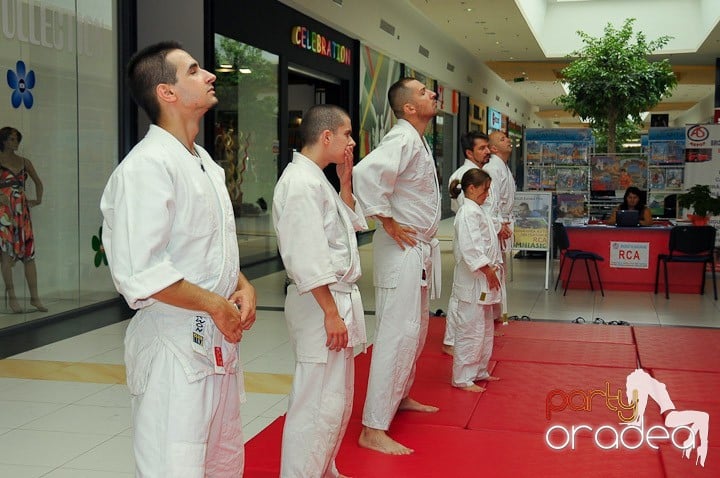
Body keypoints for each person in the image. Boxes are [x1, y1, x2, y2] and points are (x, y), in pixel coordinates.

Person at [100, 41, 257, 477]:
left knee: (221, 461)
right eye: (193, 71)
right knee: (177, 465)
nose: (208, 75)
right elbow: (141, 272)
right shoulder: (146, 167)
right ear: (166, 93)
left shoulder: (203, 161)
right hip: (173, 344)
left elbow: (209, 246)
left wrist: (242, 285)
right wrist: (213, 303)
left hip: (216, 340)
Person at [272, 104, 367, 478]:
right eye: (347, 134)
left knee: (334, 400)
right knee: (314, 402)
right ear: (327, 136)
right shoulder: (299, 183)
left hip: (332, 299)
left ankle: (324, 469)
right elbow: (306, 256)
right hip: (318, 304)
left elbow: (343, 232)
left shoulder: (317, 179)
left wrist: (345, 182)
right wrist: (330, 312)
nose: (351, 142)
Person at [353, 77, 441, 455]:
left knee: (416, 331)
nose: (432, 94)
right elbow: (365, 174)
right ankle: (372, 428)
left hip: (415, 249)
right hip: (401, 248)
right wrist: (385, 219)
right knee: (396, 334)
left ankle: (399, 396)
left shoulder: (415, 138)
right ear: (407, 107)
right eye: (423, 92)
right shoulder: (402, 138)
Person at [448, 169, 502, 392]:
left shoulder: (477, 210)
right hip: (474, 280)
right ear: (472, 188)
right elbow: (471, 247)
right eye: (484, 189)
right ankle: (462, 377)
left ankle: (479, 369)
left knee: (484, 328)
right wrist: (488, 270)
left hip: (483, 277)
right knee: (470, 329)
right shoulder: (467, 213)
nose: (487, 194)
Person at [443, 131, 491, 356]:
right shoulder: (465, 177)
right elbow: (468, 221)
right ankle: (452, 341)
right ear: (469, 152)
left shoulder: (480, 175)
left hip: (478, 247)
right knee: (462, 301)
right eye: (482, 148)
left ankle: (463, 346)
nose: (487, 151)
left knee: (473, 308)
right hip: (469, 249)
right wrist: (484, 264)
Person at [0, 126, 46, 313]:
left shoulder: (24, 162)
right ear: (3, 140)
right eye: (11, 139)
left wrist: (37, 200)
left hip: (22, 212)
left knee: (29, 254)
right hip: (4, 212)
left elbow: (38, 182)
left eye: (16, 139)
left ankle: (35, 297)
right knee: (5, 253)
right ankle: (12, 298)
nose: (15, 142)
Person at [624, 369, 708, 467]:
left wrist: (636, 418)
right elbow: (640, 399)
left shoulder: (647, 383)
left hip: (670, 415)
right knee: (703, 417)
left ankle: (693, 443)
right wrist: (636, 418)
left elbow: (640, 399)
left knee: (703, 417)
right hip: (670, 415)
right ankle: (698, 445)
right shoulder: (646, 383)